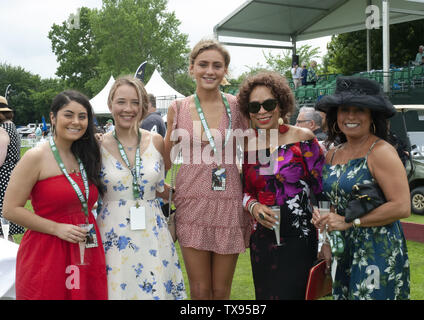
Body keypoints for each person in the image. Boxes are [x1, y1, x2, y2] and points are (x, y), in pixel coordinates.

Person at [164, 38, 251, 300]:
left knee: (221, 291)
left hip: (228, 202)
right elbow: (165, 159)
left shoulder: (237, 106)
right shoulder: (177, 108)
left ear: (225, 72)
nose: (209, 71)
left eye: (217, 65)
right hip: (191, 202)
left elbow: (251, 154)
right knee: (200, 291)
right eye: (203, 64)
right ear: (191, 68)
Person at [3, 90, 107, 299]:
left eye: (82, 116)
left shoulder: (87, 155)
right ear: (53, 117)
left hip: (86, 247)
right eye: (68, 115)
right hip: (48, 250)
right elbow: (10, 209)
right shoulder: (36, 156)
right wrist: (56, 228)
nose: (76, 122)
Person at [313, 76, 411, 300]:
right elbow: (327, 201)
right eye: (344, 109)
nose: (350, 116)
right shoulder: (333, 153)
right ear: (335, 115)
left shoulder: (381, 151)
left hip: (377, 251)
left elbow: (402, 206)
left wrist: (350, 222)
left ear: (371, 115)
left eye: (360, 110)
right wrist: (325, 238)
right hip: (342, 249)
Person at [97, 75, 186, 300]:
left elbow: (157, 186)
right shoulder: (95, 146)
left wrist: (191, 197)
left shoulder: (156, 141)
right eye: (121, 102)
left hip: (152, 233)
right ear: (110, 105)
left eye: (135, 102)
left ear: (143, 107)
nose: (128, 108)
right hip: (113, 236)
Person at [238, 71, 325, 300]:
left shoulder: (302, 138)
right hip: (263, 241)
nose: (262, 111)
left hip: (300, 239)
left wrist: (327, 238)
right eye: (254, 106)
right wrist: (253, 206)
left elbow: (322, 190)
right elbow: (244, 192)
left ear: (281, 104)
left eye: (268, 103)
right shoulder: (248, 144)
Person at [0, 96, 24, 241]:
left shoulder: (2, 129)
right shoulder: (11, 126)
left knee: (2, 229)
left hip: (2, 180)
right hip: (11, 177)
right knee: (6, 228)